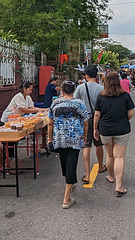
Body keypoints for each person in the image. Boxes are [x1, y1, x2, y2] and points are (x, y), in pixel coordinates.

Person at [47, 80, 88, 209]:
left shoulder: (55, 103)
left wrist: (49, 138)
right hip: (75, 138)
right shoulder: (79, 103)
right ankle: (66, 199)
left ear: (63, 91)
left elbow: (50, 122)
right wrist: (85, 135)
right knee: (71, 163)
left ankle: (69, 182)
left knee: (64, 162)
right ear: (73, 91)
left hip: (59, 138)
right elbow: (86, 121)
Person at [93, 72, 134, 197]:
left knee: (110, 155)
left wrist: (95, 129)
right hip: (122, 129)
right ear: (119, 81)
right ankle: (119, 186)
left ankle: (111, 176)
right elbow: (130, 114)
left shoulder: (101, 96)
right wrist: (122, 119)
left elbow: (97, 115)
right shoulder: (125, 96)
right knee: (119, 157)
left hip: (105, 129)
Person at [0, 82, 47, 170]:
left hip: (17, 119)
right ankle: (9, 159)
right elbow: (23, 109)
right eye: (29, 89)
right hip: (9, 119)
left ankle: (12, 159)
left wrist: (41, 110)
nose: (31, 91)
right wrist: (39, 110)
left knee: (14, 140)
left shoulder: (28, 97)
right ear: (24, 89)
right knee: (10, 140)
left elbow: (31, 107)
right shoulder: (18, 96)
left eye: (31, 90)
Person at [74, 65, 107, 184]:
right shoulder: (101, 88)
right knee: (98, 144)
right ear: (96, 75)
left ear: (86, 76)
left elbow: (75, 102)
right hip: (98, 118)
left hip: (85, 118)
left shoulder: (80, 87)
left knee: (86, 145)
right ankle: (100, 166)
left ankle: (87, 174)